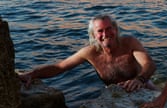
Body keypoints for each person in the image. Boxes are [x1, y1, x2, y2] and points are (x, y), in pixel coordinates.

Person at [19, 14, 157, 92]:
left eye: (109, 29)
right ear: (93, 35)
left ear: (116, 29)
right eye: (100, 31)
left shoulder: (130, 43)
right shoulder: (90, 52)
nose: (105, 34)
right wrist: (32, 74)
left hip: (142, 86)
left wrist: (140, 80)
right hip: (114, 93)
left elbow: (149, 64)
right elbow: (60, 67)